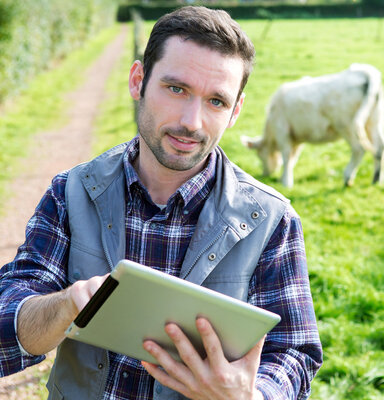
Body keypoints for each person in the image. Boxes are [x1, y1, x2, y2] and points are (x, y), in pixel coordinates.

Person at [0, 6, 322, 400]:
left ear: (236, 111)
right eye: (176, 89)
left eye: (216, 102)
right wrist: (66, 304)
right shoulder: (71, 191)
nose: (192, 121)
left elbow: (294, 352)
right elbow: (8, 326)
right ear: (138, 81)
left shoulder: (273, 221)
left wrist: (250, 395)